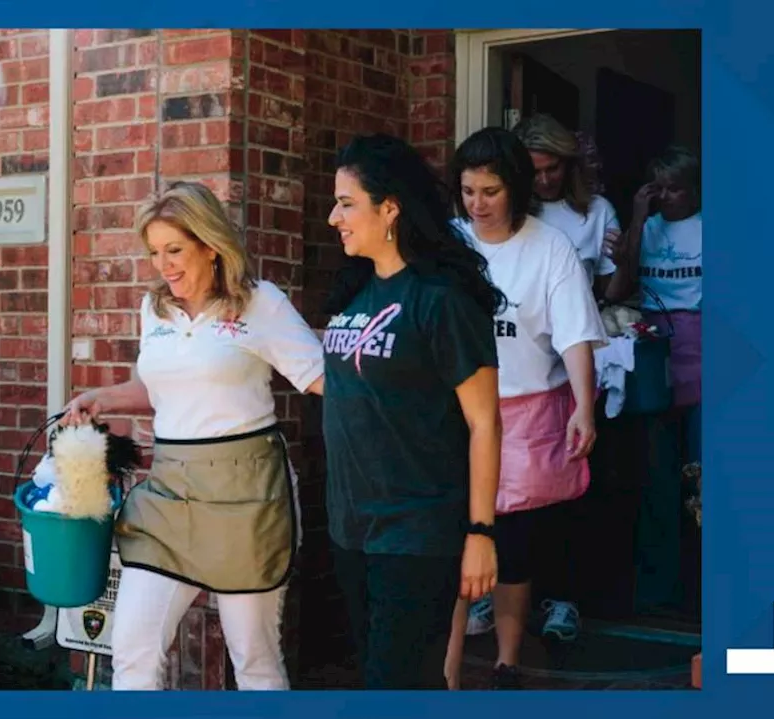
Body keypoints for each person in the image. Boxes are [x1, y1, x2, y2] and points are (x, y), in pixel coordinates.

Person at [60, 181, 325, 691]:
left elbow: (321, 378)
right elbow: (165, 389)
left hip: (246, 496)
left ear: (209, 244)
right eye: (155, 252)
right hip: (171, 495)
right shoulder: (154, 310)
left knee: (254, 660)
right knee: (133, 648)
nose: (164, 265)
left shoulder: (258, 303)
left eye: (175, 250)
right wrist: (105, 399)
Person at [320, 133, 503, 690]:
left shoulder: (441, 299)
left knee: (395, 682)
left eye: (347, 203)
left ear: (391, 207)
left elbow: (485, 422)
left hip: (418, 530)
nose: (334, 217)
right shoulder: (353, 292)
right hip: (352, 526)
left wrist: (480, 533)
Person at [442, 127, 606, 690]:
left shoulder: (549, 246)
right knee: (454, 542)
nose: (477, 205)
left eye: (489, 191)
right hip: (458, 417)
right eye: (467, 191)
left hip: (527, 412)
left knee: (513, 549)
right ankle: (448, 671)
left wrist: (584, 406)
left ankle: (508, 661)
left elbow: (575, 335)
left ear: (515, 187)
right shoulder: (449, 244)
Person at [605, 146, 703, 613]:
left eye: (677, 188)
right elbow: (617, 289)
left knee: (703, 474)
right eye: (659, 187)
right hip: (652, 351)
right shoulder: (646, 225)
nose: (668, 197)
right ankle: (658, 590)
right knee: (655, 475)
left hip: (704, 349)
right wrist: (639, 218)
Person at [514, 113, 631, 299]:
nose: (544, 181)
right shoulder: (508, 211)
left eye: (552, 168)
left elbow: (611, 296)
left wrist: (623, 262)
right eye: (534, 172)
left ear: (569, 164)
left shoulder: (599, 211)